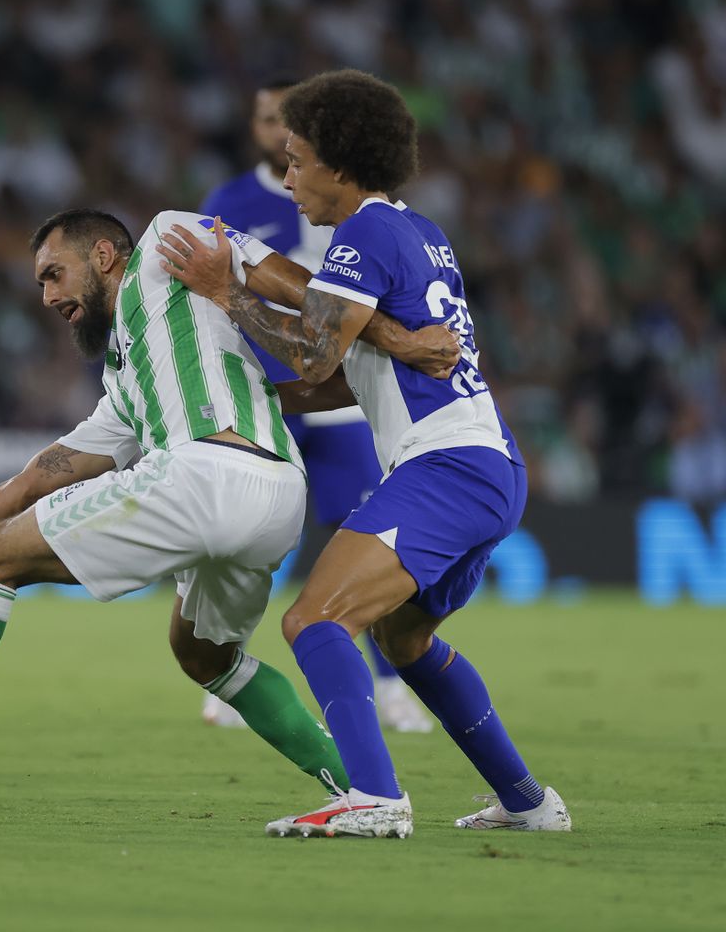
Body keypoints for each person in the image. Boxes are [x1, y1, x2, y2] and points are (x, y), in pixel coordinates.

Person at [0, 208, 457, 802]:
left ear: (104, 254)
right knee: (204, 657)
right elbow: (26, 483)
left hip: (206, 475)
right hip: (276, 498)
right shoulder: (131, 384)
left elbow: (301, 286)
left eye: (55, 274)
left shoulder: (168, 239)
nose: (47, 296)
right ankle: (362, 786)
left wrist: (396, 340)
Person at [156, 69, 570, 837]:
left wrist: (226, 292)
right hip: (486, 462)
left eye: (299, 160)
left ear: (341, 165)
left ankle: (376, 799)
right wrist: (254, 409)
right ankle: (528, 803)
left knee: (314, 618)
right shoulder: (422, 231)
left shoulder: (364, 234)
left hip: (445, 467)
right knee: (404, 639)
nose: (288, 180)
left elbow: (313, 354)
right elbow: (351, 375)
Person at [201, 77, 431, 734]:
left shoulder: (362, 212)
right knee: (248, 540)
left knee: (363, 543)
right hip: (265, 398)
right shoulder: (230, 202)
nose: (274, 131)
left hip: (342, 405)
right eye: (264, 116)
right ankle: (224, 673)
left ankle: (390, 688)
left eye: (285, 120)